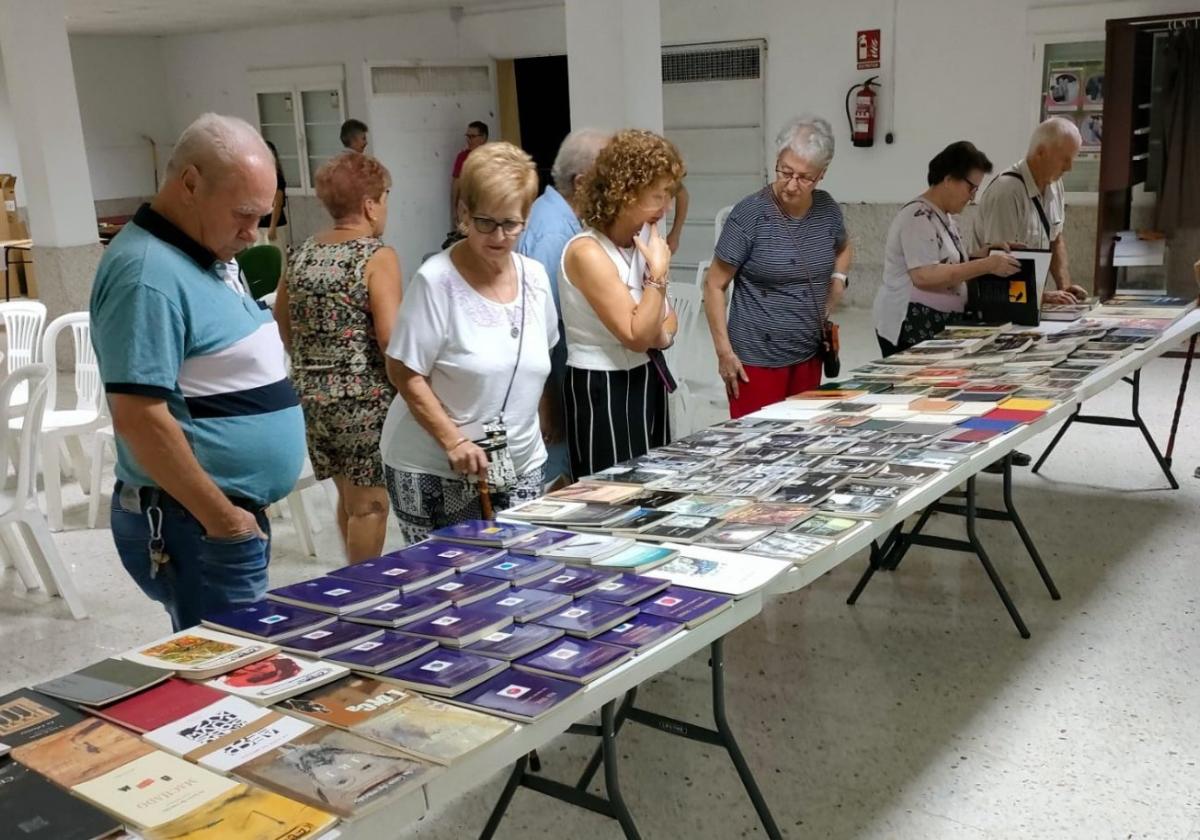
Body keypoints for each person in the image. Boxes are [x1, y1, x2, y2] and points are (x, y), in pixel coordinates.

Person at [90, 113, 306, 631]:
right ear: (189, 184)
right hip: (195, 521)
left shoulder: (205, 253)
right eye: (243, 215)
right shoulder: (147, 276)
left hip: (217, 519)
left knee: (241, 663)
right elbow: (140, 418)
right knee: (231, 673)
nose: (252, 234)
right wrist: (223, 519)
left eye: (261, 216)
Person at [380, 142, 555, 542]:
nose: (499, 236)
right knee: (451, 593)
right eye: (485, 222)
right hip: (437, 466)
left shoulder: (536, 278)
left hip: (520, 463)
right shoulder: (435, 281)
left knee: (520, 579)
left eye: (511, 223)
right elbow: (403, 372)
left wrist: (541, 416)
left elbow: (535, 359)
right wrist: (453, 439)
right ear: (462, 214)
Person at [274, 152, 402, 562]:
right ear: (369, 204)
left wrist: (313, 364)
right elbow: (390, 339)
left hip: (312, 396)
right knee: (371, 506)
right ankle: (363, 593)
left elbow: (282, 318)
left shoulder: (302, 254)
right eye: (384, 197)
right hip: (363, 402)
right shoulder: (376, 256)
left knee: (349, 497)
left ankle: (349, 580)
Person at [703, 115, 852, 418]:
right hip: (756, 361)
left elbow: (844, 246)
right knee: (757, 448)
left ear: (822, 174)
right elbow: (714, 285)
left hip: (809, 354)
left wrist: (838, 279)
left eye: (804, 177)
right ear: (777, 160)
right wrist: (724, 352)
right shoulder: (750, 215)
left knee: (802, 440)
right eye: (786, 171)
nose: (792, 185)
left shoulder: (827, 210)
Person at [559, 129, 683, 477]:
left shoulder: (642, 241)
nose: (666, 208)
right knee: (613, 495)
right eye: (658, 196)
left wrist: (657, 333)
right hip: (602, 385)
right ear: (625, 194)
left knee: (655, 485)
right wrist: (657, 276)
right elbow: (635, 335)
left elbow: (668, 322)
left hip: (645, 375)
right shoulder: (587, 251)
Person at [516, 128, 612, 485]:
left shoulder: (550, 214)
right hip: (552, 390)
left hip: (554, 387)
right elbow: (544, 333)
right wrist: (550, 405)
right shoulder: (555, 234)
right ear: (584, 182)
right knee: (558, 486)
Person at [872, 141, 1020, 356]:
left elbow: (949, 262)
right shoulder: (917, 217)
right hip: (912, 323)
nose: (972, 197)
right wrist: (986, 265)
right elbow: (924, 275)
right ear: (949, 179)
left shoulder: (944, 216)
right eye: (971, 188)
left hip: (940, 319)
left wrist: (988, 253)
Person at [969, 117, 1089, 305]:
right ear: (1041, 152)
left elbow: (1055, 239)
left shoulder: (1055, 184)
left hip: (1030, 301)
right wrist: (1042, 297)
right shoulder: (1007, 192)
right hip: (999, 303)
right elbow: (999, 264)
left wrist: (1064, 288)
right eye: (1065, 160)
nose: (1069, 168)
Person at [450, 120, 488, 226]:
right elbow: (455, 185)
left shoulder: (493, 158)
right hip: (467, 212)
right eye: (467, 136)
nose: (469, 140)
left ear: (483, 138)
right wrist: (454, 211)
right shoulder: (462, 157)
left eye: (472, 137)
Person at [257, 139, 288, 248]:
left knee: (278, 259)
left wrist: (272, 227)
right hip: (260, 225)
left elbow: (277, 204)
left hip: (274, 225)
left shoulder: (276, 177)